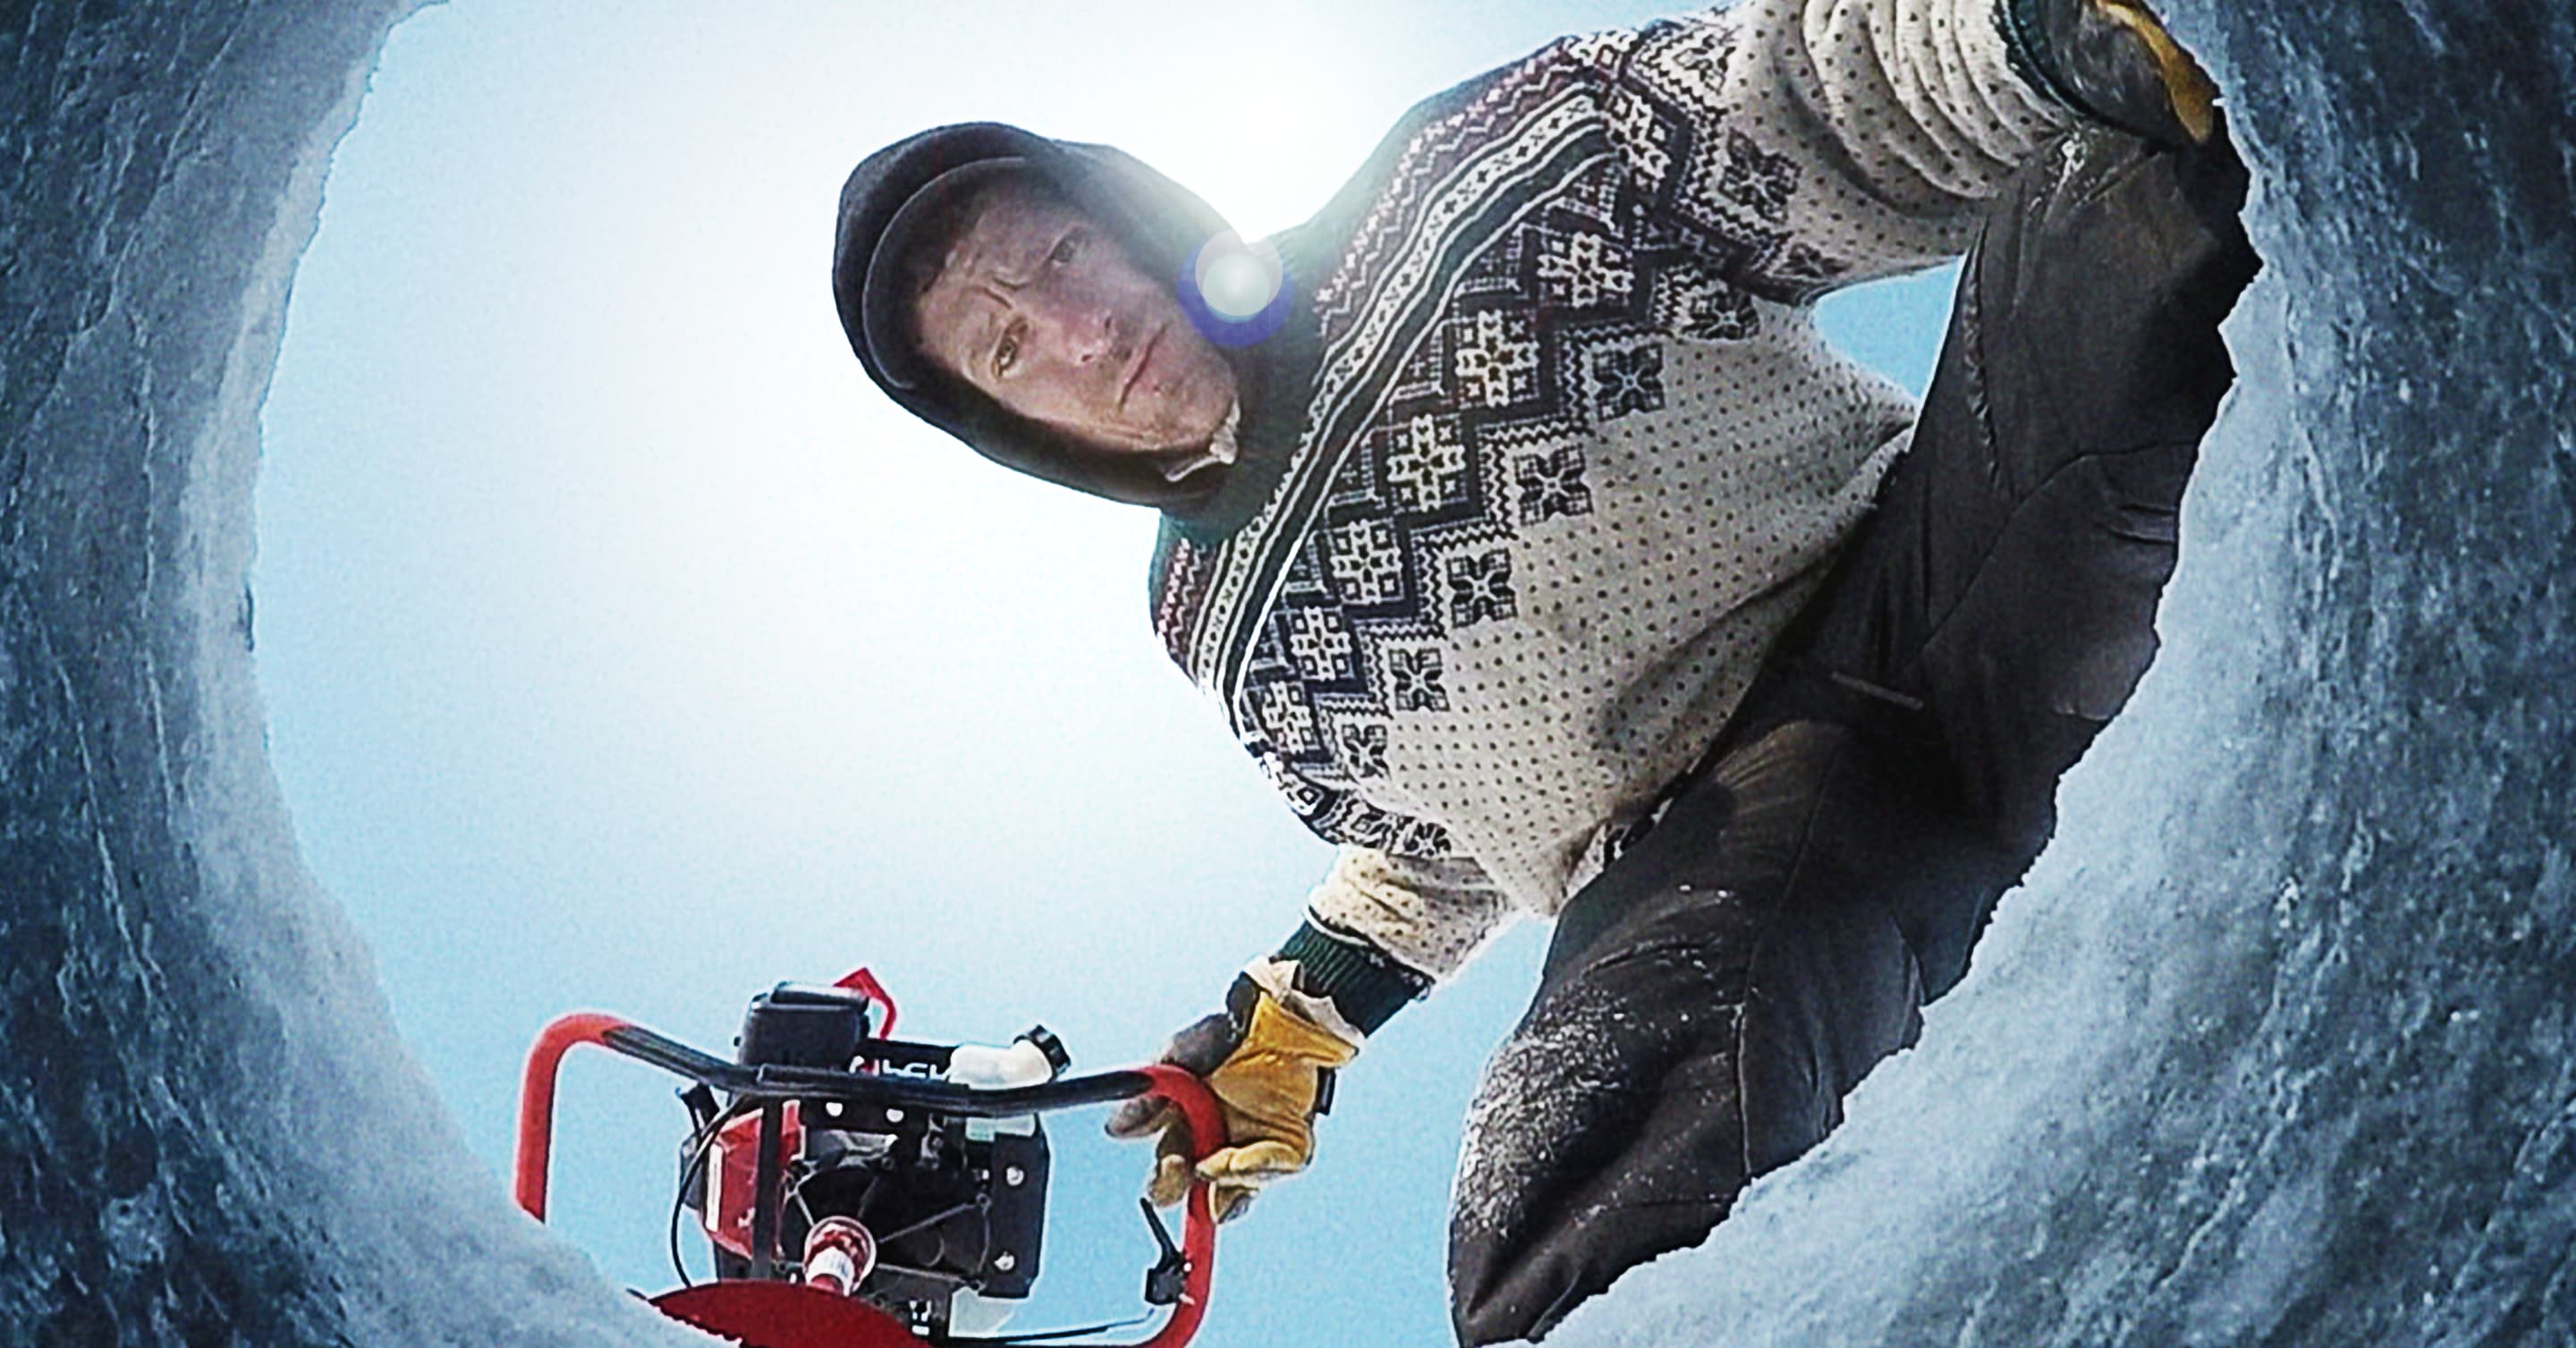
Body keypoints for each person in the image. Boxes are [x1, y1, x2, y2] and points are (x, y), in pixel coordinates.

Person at [831, 0, 2258, 1340]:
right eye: (1009, 347)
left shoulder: (1473, 185)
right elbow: (1436, 848)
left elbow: (1818, 104)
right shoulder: (1215, 626)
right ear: (1008, 424)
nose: (1083, 336)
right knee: (1558, 1194)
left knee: (2112, 196)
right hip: (1708, 857)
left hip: (1934, 557)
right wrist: (1294, 1022)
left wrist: (2026, 38)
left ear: (1125, 210)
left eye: (1062, 258)